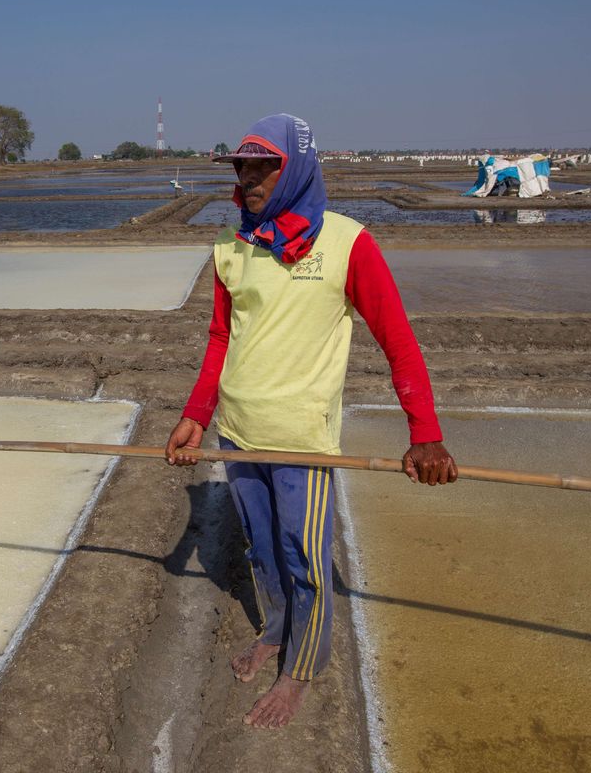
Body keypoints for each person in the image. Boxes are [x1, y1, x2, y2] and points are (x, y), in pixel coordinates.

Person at [165, 114, 457, 729]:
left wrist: (425, 433)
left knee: (305, 557)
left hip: (304, 443)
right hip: (239, 433)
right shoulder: (231, 245)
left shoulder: (347, 244)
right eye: (240, 167)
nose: (246, 179)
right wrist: (197, 415)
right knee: (263, 547)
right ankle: (276, 631)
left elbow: (398, 341)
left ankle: (302, 665)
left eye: (261, 167)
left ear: (294, 167)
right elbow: (222, 337)